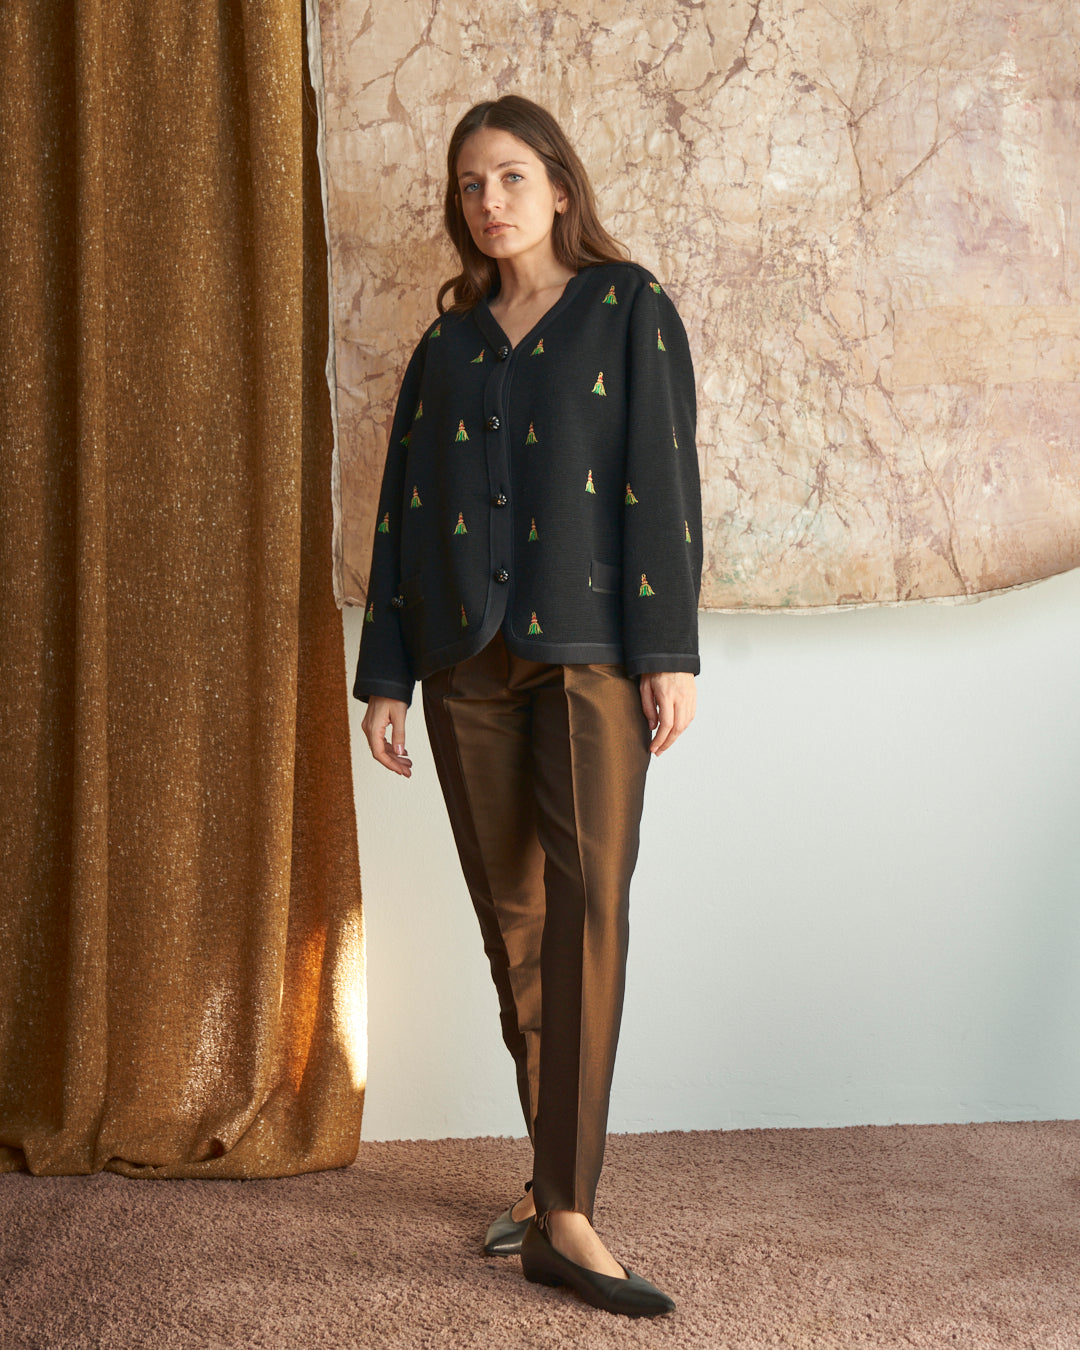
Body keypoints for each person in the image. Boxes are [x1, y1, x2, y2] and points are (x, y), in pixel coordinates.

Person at [354, 95, 701, 1318]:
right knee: (516, 927)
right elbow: (402, 510)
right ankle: (557, 1192)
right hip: (466, 663)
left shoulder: (628, 308)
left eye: (510, 176)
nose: (489, 202)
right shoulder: (448, 344)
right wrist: (387, 673)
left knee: (589, 910)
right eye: (471, 184)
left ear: (559, 185)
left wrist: (669, 652)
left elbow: (663, 479)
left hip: (593, 653)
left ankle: (566, 1215)